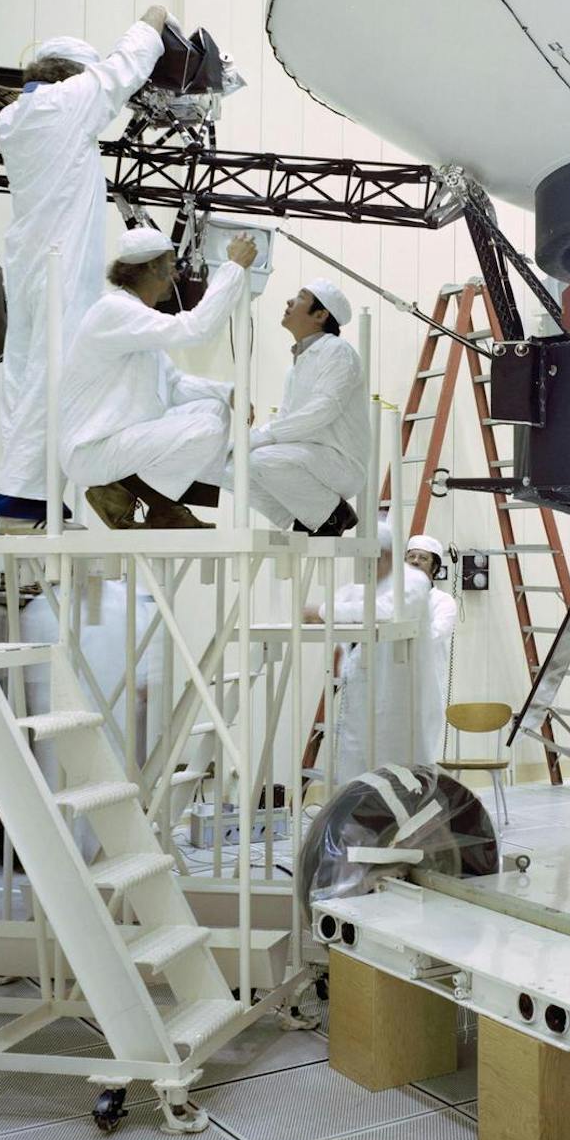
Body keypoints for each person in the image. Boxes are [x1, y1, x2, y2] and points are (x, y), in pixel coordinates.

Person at [0, 7, 173, 530]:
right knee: (57, 372)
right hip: (61, 264)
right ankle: (21, 504)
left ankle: (35, 498)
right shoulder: (68, 103)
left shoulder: (14, 116)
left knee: (25, 375)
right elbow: (122, 68)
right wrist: (155, 20)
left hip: (29, 262)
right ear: (73, 75)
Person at [60, 226, 257, 529]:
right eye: (171, 265)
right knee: (205, 426)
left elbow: (174, 384)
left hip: (120, 444)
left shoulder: (133, 315)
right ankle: (138, 497)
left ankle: (157, 504)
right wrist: (233, 268)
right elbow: (195, 329)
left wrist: (227, 393)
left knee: (214, 409)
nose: (177, 275)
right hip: (93, 449)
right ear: (152, 266)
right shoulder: (114, 310)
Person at [307, 525, 435, 784]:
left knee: (398, 771)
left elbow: (386, 610)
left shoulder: (413, 581)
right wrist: (321, 612)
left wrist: (322, 611)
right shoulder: (362, 585)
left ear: (386, 555)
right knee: (355, 768)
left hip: (398, 695)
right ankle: (354, 819)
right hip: (361, 696)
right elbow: (342, 604)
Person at [248, 279, 366, 536]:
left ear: (321, 315)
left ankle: (334, 516)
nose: (289, 302)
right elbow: (290, 420)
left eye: (300, 297)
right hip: (307, 457)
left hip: (339, 462)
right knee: (231, 464)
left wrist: (261, 437)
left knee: (258, 457)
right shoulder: (297, 365)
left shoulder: (337, 351)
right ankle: (308, 514)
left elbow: (323, 409)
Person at [405, 534, 459, 764]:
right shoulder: (390, 597)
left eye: (423, 558)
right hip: (391, 685)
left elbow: (436, 633)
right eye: (411, 557)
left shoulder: (442, 602)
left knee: (421, 752)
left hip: (427, 686)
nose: (416, 561)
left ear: (435, 567)